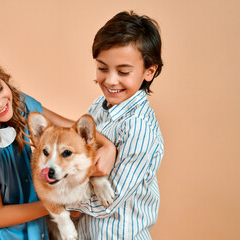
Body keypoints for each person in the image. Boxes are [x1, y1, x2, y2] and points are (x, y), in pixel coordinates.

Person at [0, 48, 116, 239]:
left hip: (30, 231)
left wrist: (107, 146)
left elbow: (68, 128)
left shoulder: (16, 104)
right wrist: (58, 205)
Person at [67, 11, 164, 239]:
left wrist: (57, 197)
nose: (110, 80)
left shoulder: (138, 127)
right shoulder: (99, 107)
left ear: (149, 71)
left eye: (123, 72)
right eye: (102, 68)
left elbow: (106, 203)